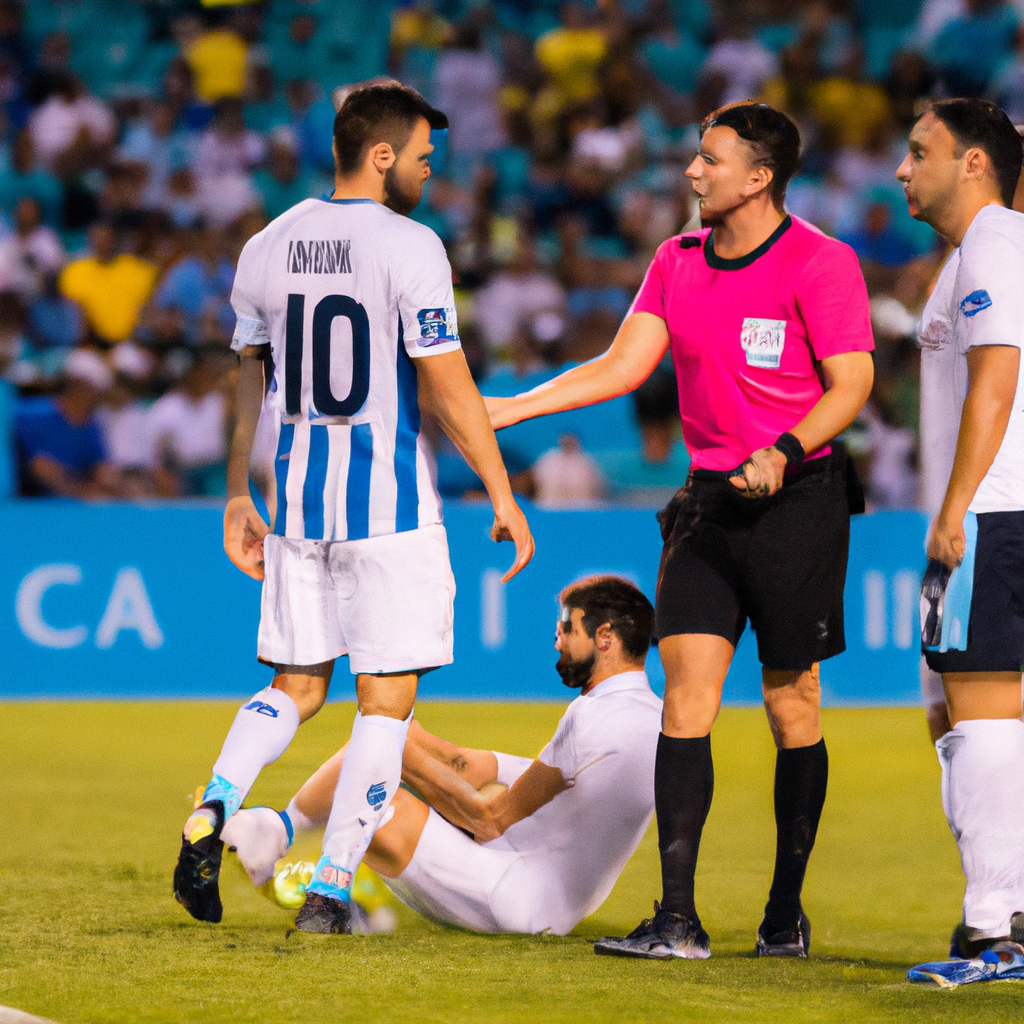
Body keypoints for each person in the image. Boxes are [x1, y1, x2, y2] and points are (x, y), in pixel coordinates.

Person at [487, 102, 874, 959]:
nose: (692, 173)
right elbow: (623, 365)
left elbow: (851, 385)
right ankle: (676, 918)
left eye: (709, 160)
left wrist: (783, 447)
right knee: (687, 701)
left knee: (790, 703)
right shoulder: (675, 259)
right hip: (706, 503)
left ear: (759, 176)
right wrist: (514, 405)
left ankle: (783, 916)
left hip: (798, 502)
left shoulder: (823, 262)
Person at [173, 81, 534, 936]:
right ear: (381, 156)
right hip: (391, 511)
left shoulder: (268, 242)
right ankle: (331, 887)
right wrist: (501, 488)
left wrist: (236, 488)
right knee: (384, 706)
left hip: (298, 506)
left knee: (293, 687)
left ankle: (216, 802)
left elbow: (251, 377)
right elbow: (445, 380)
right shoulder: (411, 246)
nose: (427, 170)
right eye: (420, 157)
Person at [221, 576, 661, 937]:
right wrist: (401, 730)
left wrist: (393, 744)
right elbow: (465, 766)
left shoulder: (591, 719)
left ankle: (314, 864)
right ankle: (281, 831)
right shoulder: (650, 714)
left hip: (518, 895)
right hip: (544, 875)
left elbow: (488, 820)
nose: (557, 640)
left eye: (567, 627)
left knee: (376, 789)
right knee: (395, 748)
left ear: (605, 637)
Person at [896, 97, 1024, 957]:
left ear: (973, 162)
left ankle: (995, 926)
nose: (904, 168)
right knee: (951, 713)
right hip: (988, 507)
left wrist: (955, 506)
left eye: (919, 151)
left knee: (977, 715)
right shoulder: (974, 254)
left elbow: (996, 375)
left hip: (990, 508)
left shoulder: (994, 245)